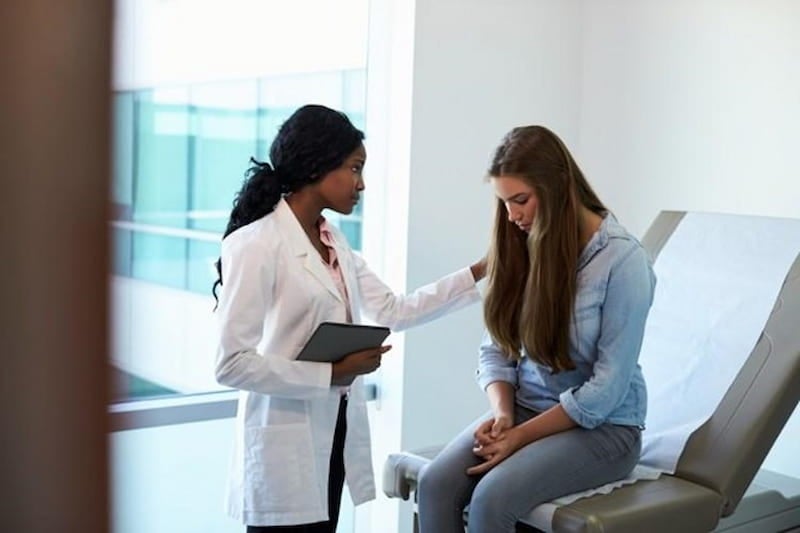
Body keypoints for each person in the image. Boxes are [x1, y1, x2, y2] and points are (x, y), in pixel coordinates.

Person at [212, 104, 486, 532]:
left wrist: (481, 270)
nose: (361, 184)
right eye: (354, 168)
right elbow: (231, 363)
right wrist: (332, 372)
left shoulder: (332, 242)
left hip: (333, 432)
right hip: (284, 447)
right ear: (318, 165)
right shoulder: (256, 245)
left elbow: (395, 309)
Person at [417, 125, 656, 532]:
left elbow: (606, 392)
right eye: (505, 203)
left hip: (604, 429)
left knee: (492, 499)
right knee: (435, 484)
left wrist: (521, 436)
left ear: (559, 185)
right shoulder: (522, 243)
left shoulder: (622, 261)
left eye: (521, 200)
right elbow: (496, 349)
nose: (512, 216)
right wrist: (504, 415)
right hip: (526, 410)